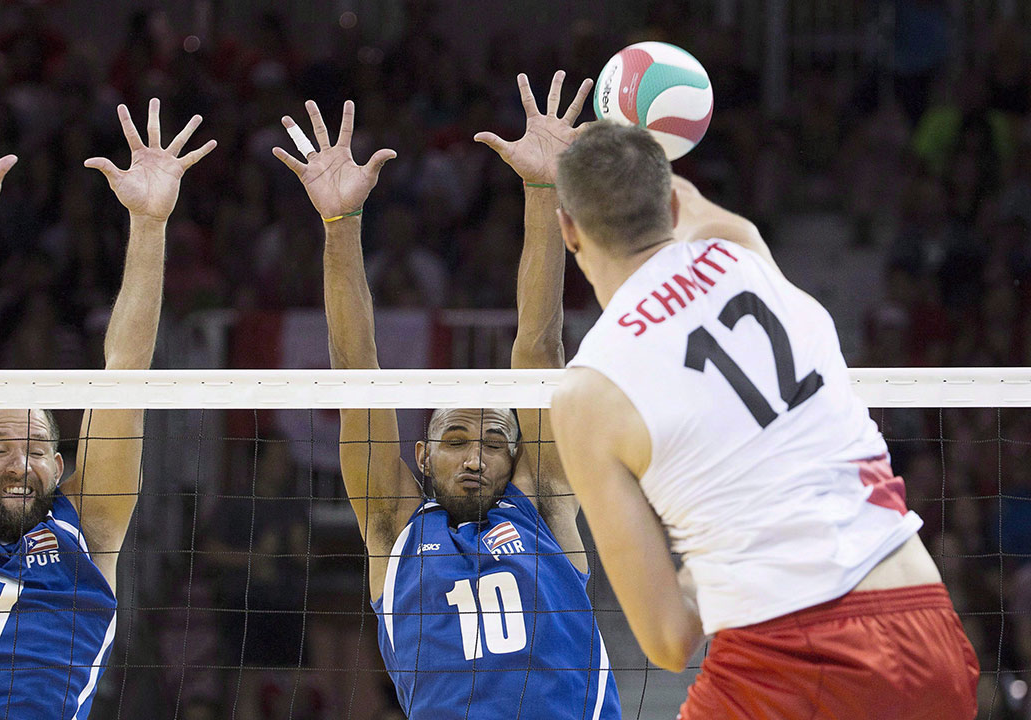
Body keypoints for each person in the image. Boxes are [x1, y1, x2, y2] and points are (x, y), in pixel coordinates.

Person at [549, 121, 980, 719]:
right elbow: (689, 204)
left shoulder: (587, 394)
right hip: (924, 620)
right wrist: (640, 126)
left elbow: (670, 641)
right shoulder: (743, 248)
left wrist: (715, 568)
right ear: (671, 201)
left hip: (791, 659)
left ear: (568, 229)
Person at [272, 72, 621, 720]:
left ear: (516, 460)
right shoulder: (393, 528)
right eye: (456, 440)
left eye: (494, 442)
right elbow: (356, 374)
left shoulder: (542, 508)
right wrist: (340, 224)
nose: (474, 457)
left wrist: (544, 190)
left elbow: (538, 354)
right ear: (422, 457)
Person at [0, 99, 214, 718]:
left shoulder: (89, 528)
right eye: (0, 447)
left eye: (35, 449)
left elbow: (125, 377)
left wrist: (148, 225)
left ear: (59, 465)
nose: (19, 463)